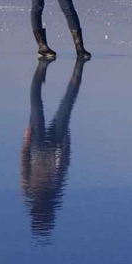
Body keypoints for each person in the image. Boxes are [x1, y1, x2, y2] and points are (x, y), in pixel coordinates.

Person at [20, 57, 84, 240]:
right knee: (56, 104)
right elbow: (63, 167)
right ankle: (74, 71)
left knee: (39, 103)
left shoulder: (33, 193)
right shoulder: (50, 193)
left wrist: (26, 142)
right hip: (51, 147)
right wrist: (67, 143)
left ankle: (42, 69)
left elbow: (26, 166)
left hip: (40, 147)